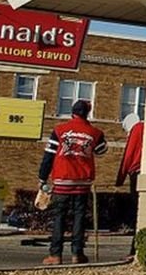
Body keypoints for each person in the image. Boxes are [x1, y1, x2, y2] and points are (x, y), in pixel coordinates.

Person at [38, 100, 107, 265]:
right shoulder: (95, 132)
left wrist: (42, 178)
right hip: (83, 181)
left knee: (59, 217)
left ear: (72, 112)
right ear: (87, 113)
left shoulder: (59, 130)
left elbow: (48, 156)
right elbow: (101, 150)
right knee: (79, 217)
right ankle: (77, 253)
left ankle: (55, 255)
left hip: (62, 180)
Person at [115, 113, 144, 261]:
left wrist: (120, 178)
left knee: (136, 214)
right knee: (141, 212)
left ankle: (134, 249)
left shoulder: (137, 129)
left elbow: (129, 154)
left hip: (137, 173)